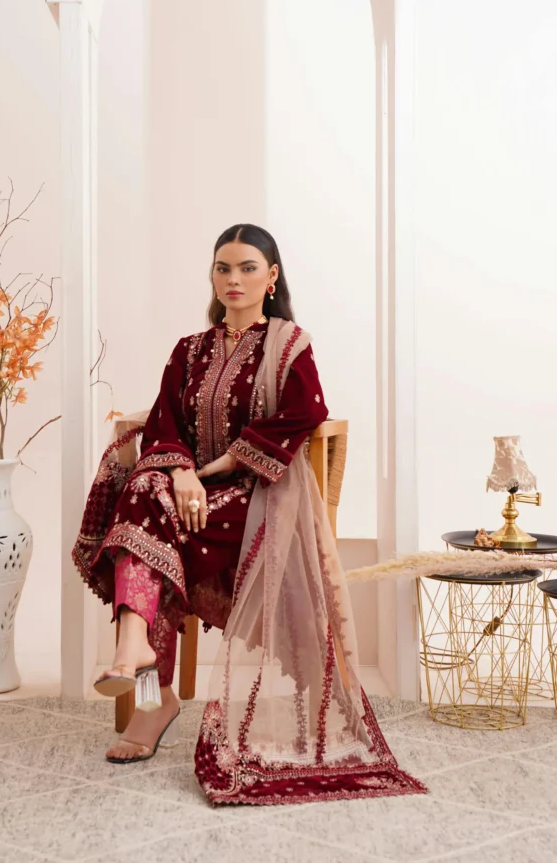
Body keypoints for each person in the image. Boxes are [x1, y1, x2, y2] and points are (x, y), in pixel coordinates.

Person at [72, 224, 426, 805]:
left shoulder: (289, 346)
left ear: (272, 276)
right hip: (186, 492)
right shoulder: (189, 349)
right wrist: (181, 471)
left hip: (257, 495)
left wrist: (211, 472)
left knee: (143, 527)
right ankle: (136, 656)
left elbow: (306, 412)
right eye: (222, 268)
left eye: (246, 268)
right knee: (144, 495)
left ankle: (149, 690)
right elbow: (164, 422)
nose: (233, 280)